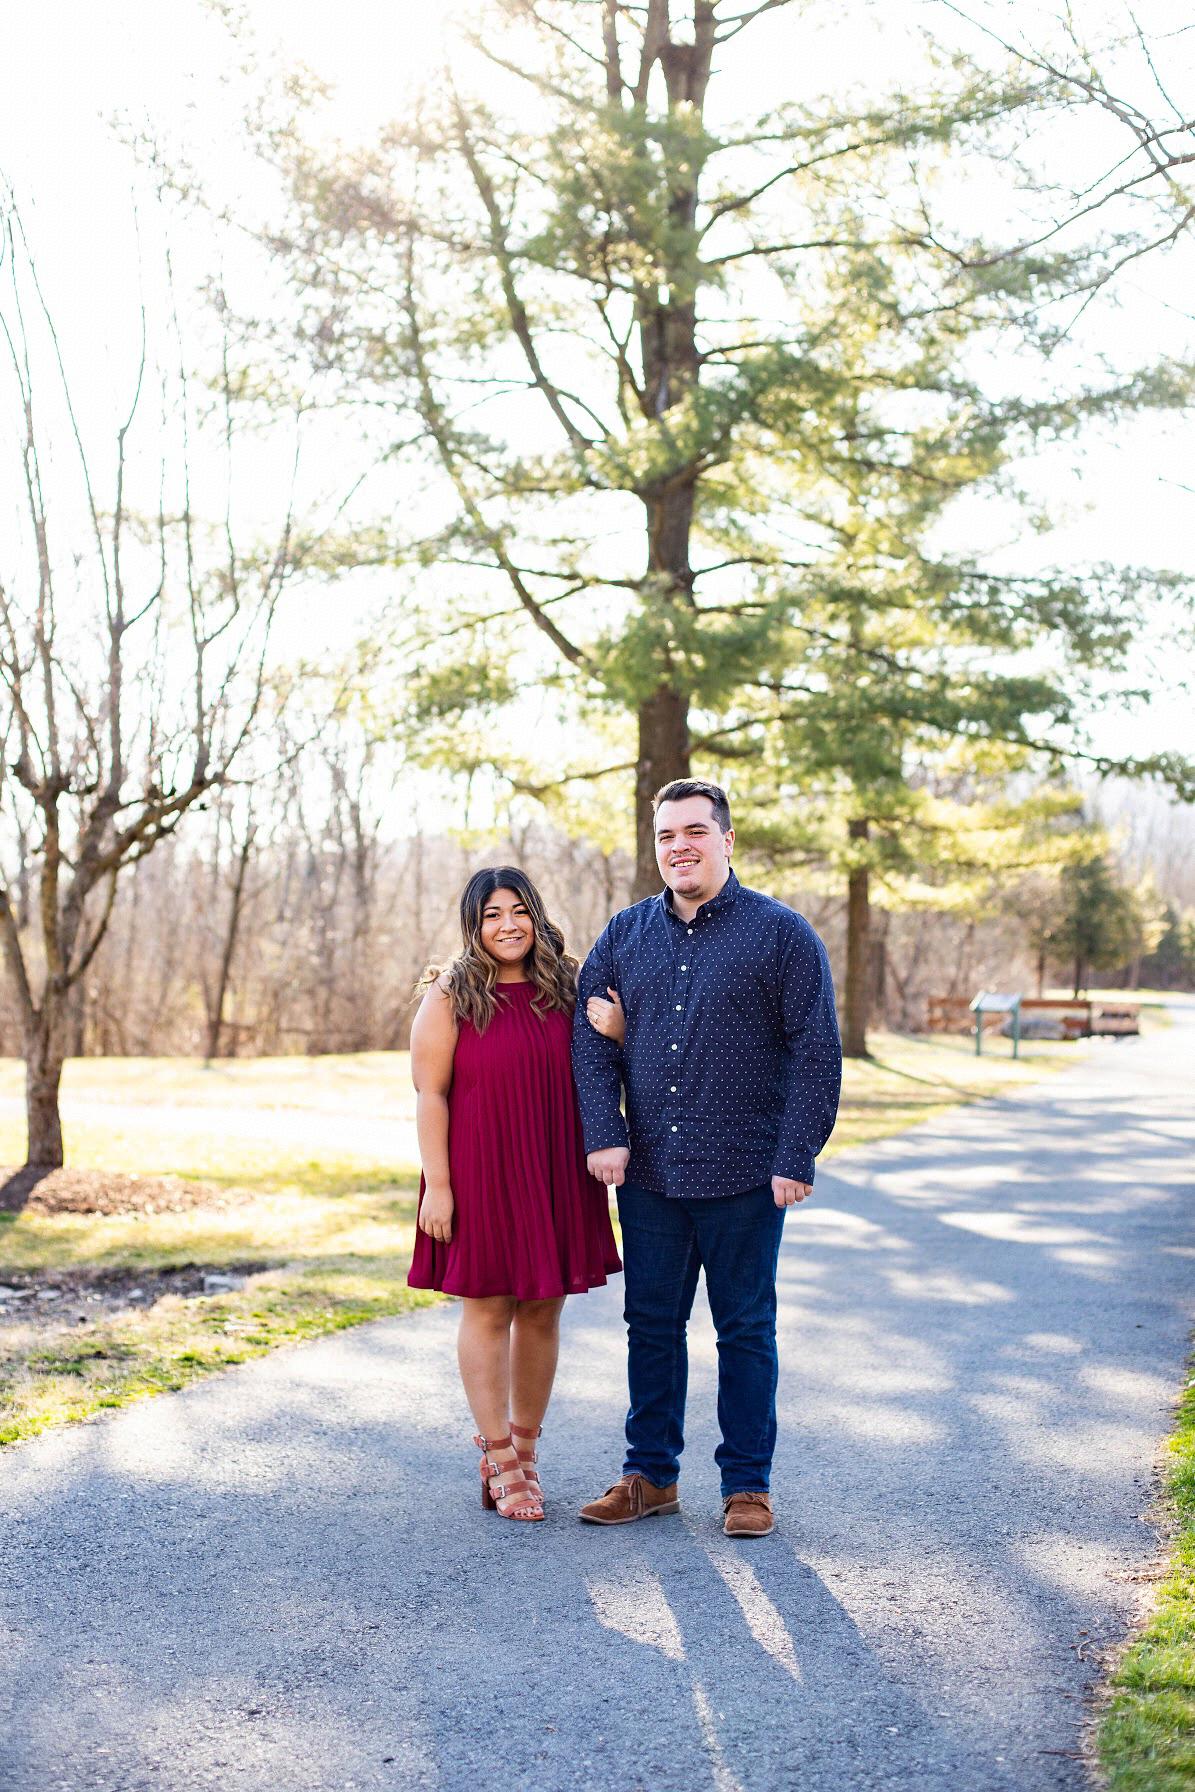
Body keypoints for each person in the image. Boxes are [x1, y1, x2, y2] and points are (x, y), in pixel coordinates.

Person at [573, 780, 842, 1538]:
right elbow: (588, 1042)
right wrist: (605, 1132)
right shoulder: (624, 935)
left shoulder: (782, 935)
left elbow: (816, 1052)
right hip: (651, 1175)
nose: (679, 846)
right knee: (650, 1327)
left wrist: (796, 1154)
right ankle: (650, 1476)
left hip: (745, 1175)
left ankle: (747, 1486)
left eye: (694, 831)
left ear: (726, 839)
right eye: (666, 835)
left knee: (745, 1330)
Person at [408, 867, 622, 1523]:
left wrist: (620, 1031)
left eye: (519, 910)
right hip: (479, 1171)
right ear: (473, 926)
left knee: (542, 1310)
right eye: (492, 914)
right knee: (487, 1307)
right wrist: (439, 1187)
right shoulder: (450, 993)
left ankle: (525, 1451)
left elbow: (609, 1064)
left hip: (555, 1167)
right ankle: (497, 1455)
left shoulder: (568, 984)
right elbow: (429, 1095)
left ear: (537, 915)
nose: (508, 925)